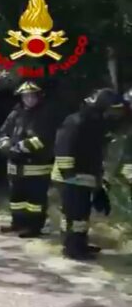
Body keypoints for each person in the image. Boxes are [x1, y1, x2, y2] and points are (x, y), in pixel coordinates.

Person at [52, 88, 121, 261]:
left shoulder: (95, 123)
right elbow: (64, 149)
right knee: (74, 215)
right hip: (69, 177)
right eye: (110, 108)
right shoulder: (76, 121)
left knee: (81, 216)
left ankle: (79, 244)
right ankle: (72, 249)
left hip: (84, 177)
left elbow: (96, 154)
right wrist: (70, 176)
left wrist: (99, 183)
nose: (112, 113)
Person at [0, 81, 58, 238]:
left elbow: (43, 138)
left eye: (32, 96)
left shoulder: (45, 114)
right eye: (26, 96)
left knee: (35, 201)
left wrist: (19, 148)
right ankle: (17, 224)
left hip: (36, 166)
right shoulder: (16, 113)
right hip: (16, 167)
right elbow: (4, 131)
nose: (29, 99)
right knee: (17, 199)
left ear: (38, 97)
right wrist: (5, 144)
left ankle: (34, 227)